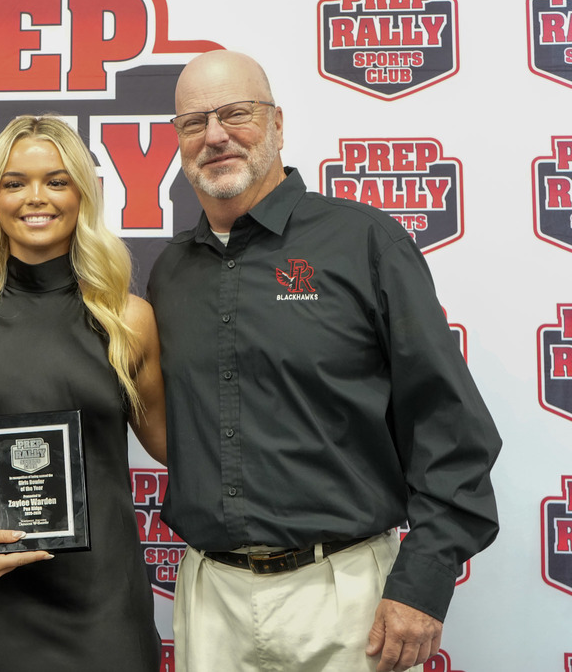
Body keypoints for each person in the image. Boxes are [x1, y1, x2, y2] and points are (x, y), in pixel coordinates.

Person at [147, 50, 502, 672]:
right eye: (194, 123)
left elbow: (449, 426)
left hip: (346, 598)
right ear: (177, 142)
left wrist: (423, 579)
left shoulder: (363, 242)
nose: (216, 136)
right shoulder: (169, 274)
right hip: (211, 601)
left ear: (278, 125)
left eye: (237, 114)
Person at [0, 115, 166, 672]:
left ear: (82, 194)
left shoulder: (128, 320)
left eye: (56, 180)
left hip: (102, 604)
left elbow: (173, 444)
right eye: (14, 182)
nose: (35, 198)